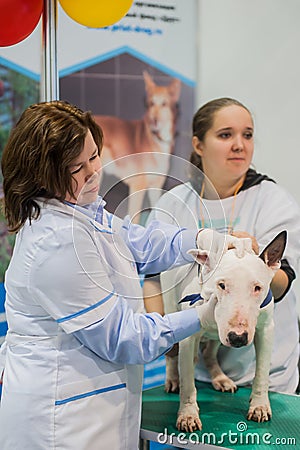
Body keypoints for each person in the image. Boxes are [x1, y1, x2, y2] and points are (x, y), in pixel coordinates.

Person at [0, 100, 250, 450]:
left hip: (93, 410)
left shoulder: (84, 210)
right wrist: (203, 315)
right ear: (42, 174)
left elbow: (141, 243)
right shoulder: (56, 242)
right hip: (61, 425)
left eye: (94, 156)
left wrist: (203, 239)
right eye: (76, 167)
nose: (93, 172)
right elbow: (124, 338)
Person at [143, 97, 300, 394]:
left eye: (248, 135)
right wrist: (169, 342)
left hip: (265, 375)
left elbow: (281, 285)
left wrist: (258, 260)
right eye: (226, 135)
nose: (240, 144)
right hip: (196, 372)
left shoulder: (272, 200)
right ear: (199, 145)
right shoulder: (173, 203)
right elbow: (152, 278)